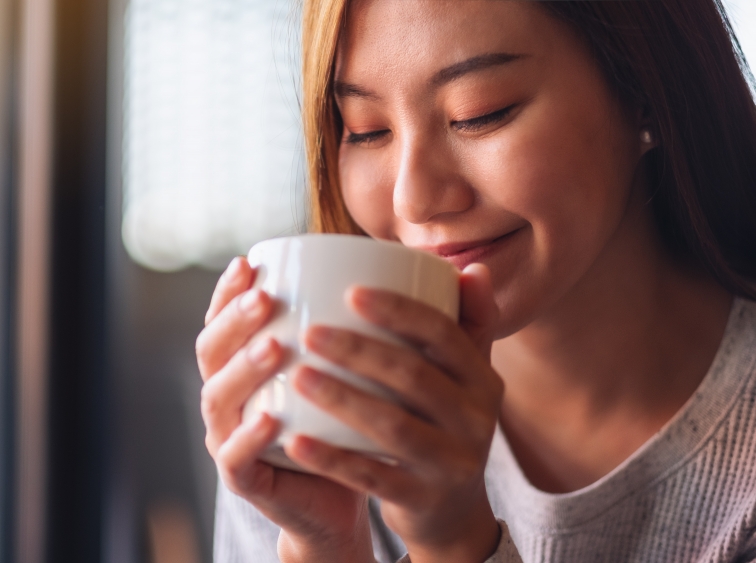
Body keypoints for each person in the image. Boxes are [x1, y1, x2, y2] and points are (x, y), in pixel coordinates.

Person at [194, 1, 756, 561]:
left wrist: (454, 541)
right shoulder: (308, 402)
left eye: (478, 113)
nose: (413, 199)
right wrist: (324, 545)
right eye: (366, 130)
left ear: (644, 88)